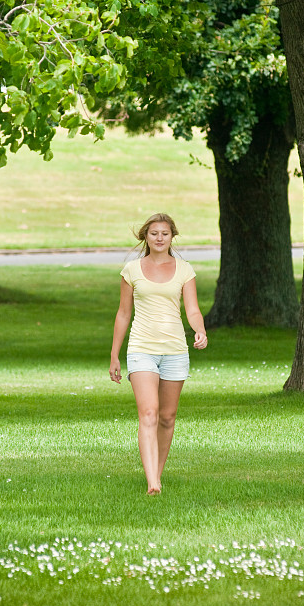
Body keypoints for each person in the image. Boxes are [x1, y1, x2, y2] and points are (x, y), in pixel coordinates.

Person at [109, 212, 208, 495]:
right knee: (149, 413)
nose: (160, 238)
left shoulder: (184, 270)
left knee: (167, 416)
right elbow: (123, 314)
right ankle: (153, 482)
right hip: (142, 350)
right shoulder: (132, 270)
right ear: (146, 237)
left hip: (175, 351)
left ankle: (157, 472)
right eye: (154, 233)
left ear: (172, 236)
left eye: (165, 233)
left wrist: (199, 330)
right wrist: (115, 355)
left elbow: (192, 309)